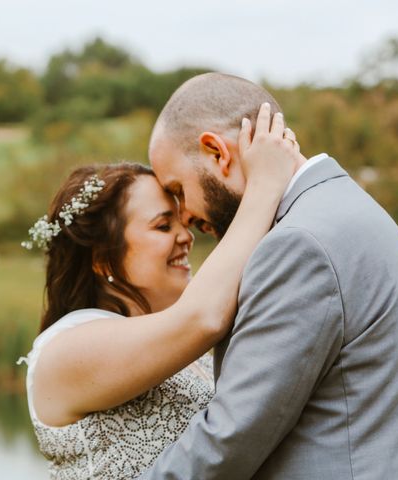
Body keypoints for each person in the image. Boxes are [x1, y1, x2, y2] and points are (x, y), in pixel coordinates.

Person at [139, 73, 398, 479]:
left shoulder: (298, 244)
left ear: (216, 152)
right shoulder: (345, 206)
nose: (185, 217)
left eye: (178, 190)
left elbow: (231, 436)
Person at [19, 106, 300, 479]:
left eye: (181, 221)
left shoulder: (178, 338)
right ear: (103, 259)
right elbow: (204, 316)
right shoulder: (66, 351)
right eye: (163, 226)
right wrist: (265, 185)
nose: (186, 236)